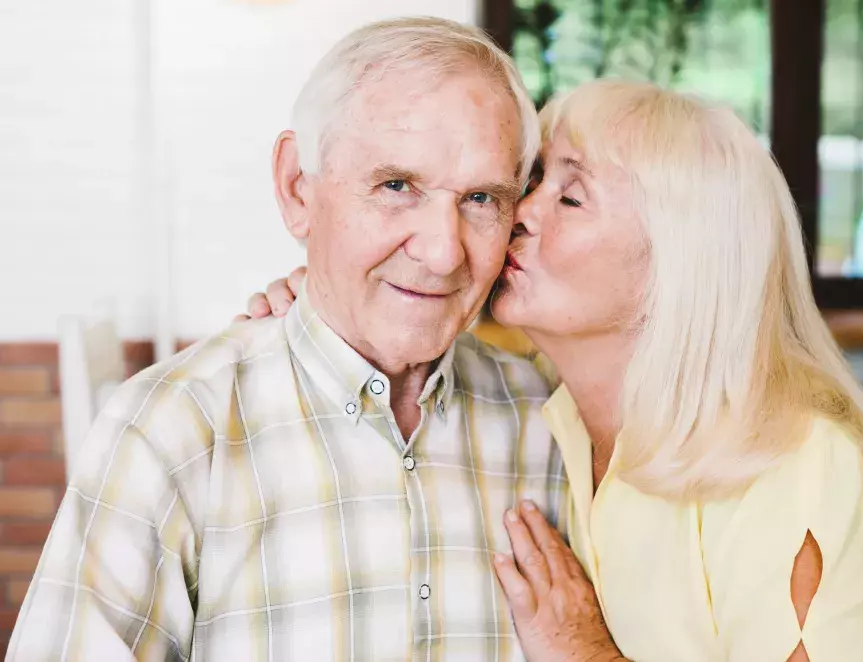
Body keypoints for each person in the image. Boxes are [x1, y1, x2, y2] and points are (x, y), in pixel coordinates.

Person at [250, 80, 863, 661]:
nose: (518, 214)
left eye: (569, 195)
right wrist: (322, 307)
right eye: (529, 181)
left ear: (678, 266)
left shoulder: (787, 465)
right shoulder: (554, 411)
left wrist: (585, 655)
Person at [7, 18, 570, 661]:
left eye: (479, 199)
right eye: (396, 187)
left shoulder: (549, 420)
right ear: (297, 186)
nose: (443, 253)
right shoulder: (171, 431)